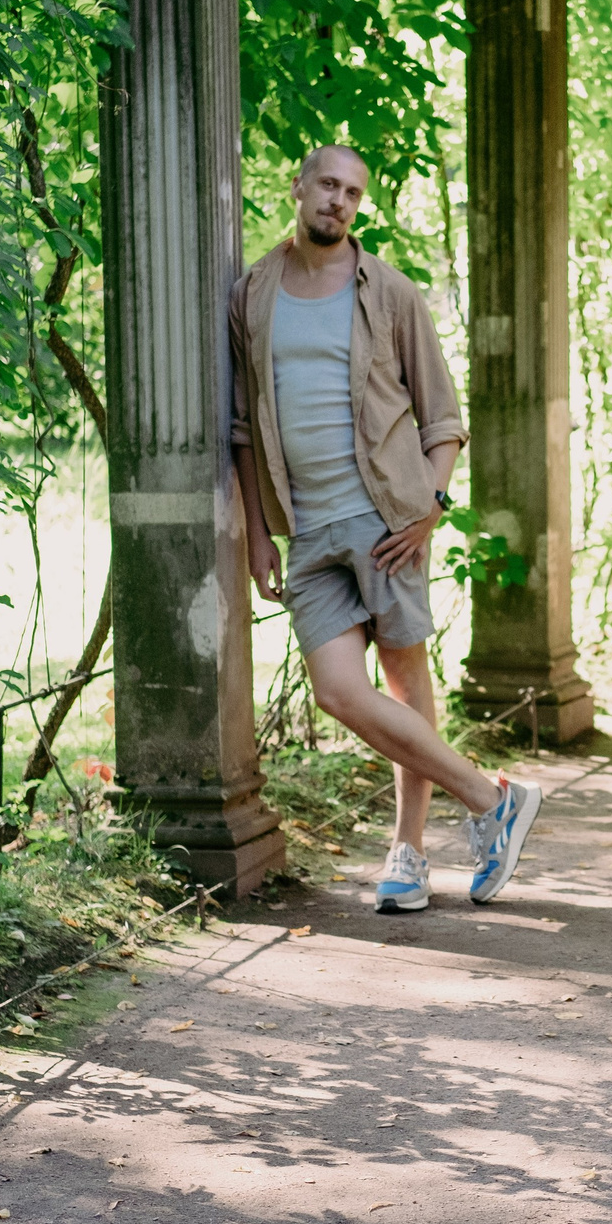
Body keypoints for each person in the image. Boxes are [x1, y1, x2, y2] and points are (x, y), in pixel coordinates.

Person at [227, 145, 542, 913]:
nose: (339, 200)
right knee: (338, 690)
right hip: (306, 529)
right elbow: (241, 428)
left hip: (384, 519)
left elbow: (443, 417)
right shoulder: (253, 295)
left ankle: (408, 855)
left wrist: (430, 508)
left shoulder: (390, 292)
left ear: (360, 207)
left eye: (353, 192)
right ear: (297, 186)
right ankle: (489, 796)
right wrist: (256, 535)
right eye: (328, 184)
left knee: (404, 680)